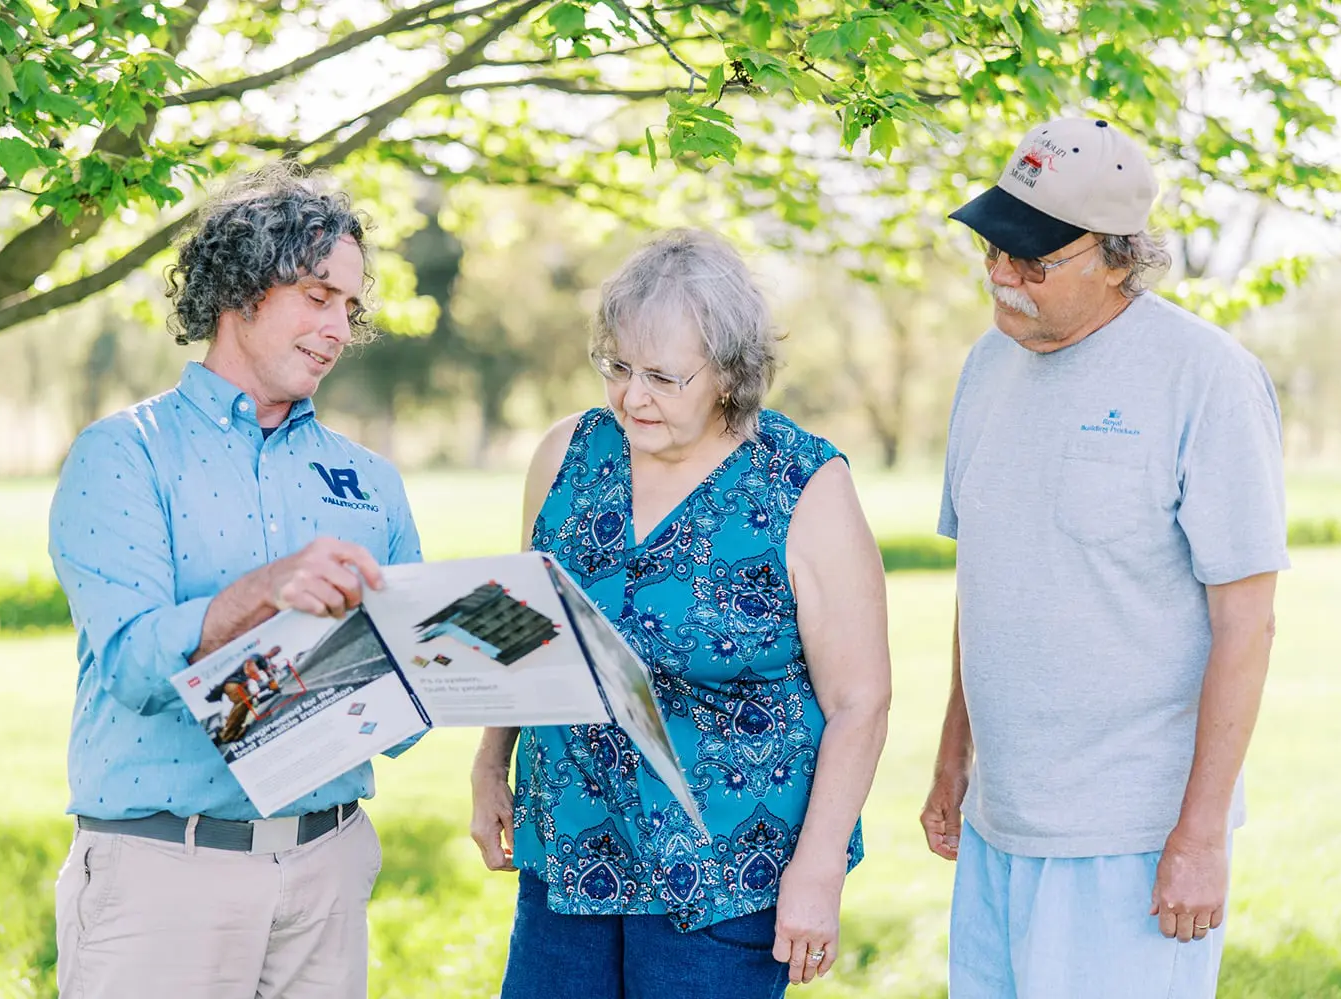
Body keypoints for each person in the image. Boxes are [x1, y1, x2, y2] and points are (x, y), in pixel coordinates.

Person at [468, 229, 892, 998]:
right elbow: (529, 630)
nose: (633, 396)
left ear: (731, 373)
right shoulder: (568, 453)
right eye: (619, 367)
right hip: (571, 844)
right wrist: (491, 762)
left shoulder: (803, 484)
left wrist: (818, 867)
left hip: (725, 869)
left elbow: (859, 699)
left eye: (664, 377)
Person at [924, 117, 1289, 998]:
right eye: (993, 248)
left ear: (1119, 258)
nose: (1003, 277)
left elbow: (1248, 621)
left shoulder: (1205, 377)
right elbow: (990, 582)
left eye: (1035, 261)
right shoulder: (985, 367)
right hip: (1000, 827)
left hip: (1133, 840)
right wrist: (951, 761)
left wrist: (1199, 840)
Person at [48, 165, 423, 999]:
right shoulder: (124, 454)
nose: (338, 327)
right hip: (163, 875)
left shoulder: (370, 479)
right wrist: (266, 591)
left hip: (329, 868)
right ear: (244, 284)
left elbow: (404, 718)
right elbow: (135, 667)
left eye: (350, 309)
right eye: (318, 295)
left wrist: (464, 651)